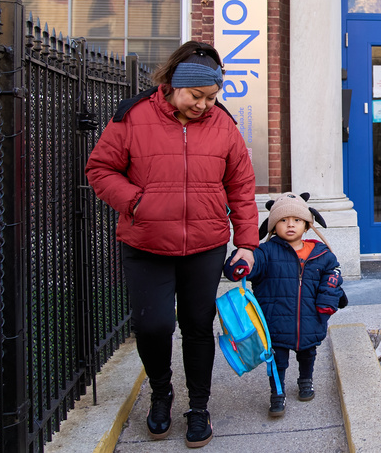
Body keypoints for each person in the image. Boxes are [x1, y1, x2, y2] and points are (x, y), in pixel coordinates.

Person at [85, 41, 257, 449]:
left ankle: (199, 406)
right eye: (196, 96)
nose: (204, 105)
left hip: (205, 244)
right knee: (153, 324)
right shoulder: (132, 117)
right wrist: (137, 202)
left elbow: (241, 187)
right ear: (174, 85)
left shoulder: (223, 126)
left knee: (197, 327)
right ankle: (161, 393)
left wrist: (247, 243)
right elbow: (100, 167)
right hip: (146, 243)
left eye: (212, 97)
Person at [224, 192, 344, 417]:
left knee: (308, 353)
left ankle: (305, 380)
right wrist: (239, 264)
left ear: (307, 225)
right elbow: (250, 265)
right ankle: (277, 392)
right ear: (272, 227)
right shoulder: (266, 253)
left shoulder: (321, 253)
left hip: (310, 319)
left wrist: (328, 300)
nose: (290, 225)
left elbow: (334, 275)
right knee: (277, 360)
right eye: (283, 220)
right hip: (275, 321)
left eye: (297, 220)